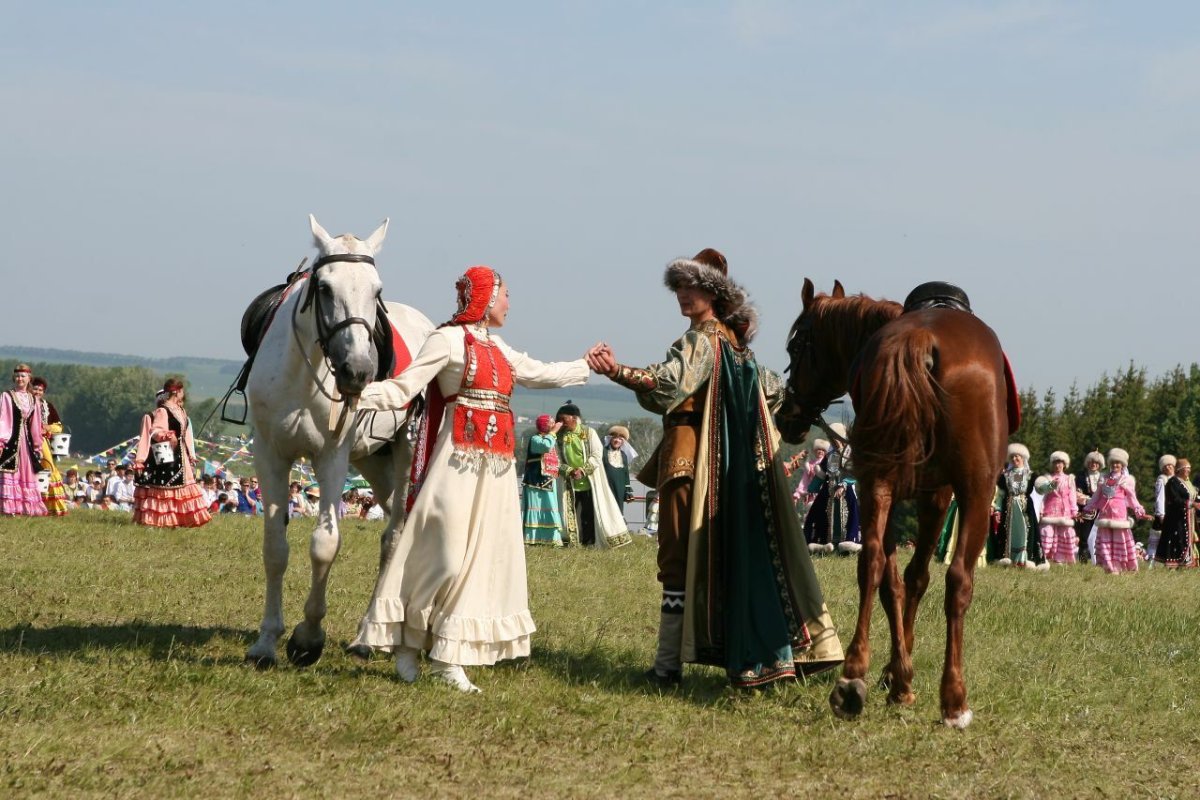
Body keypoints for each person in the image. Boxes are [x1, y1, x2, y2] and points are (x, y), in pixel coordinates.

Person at [587, 248, 843, 688]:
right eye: (680, 288)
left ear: (714, 293)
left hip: (687, 463)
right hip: (730, 476)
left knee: (674, 562)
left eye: (694, 287)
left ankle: (667, 668)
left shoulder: (701, 341)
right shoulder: (738, 349)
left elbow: (667, 384)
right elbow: (778, 396)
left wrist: (616, 371)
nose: (684, 295)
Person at [349, 265, 594, 693]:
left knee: (478, 562)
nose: (509, 304)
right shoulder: (446, 340)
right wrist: (356, 395)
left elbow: (540, 373)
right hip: (455, 464)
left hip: (495, 472)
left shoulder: (498, 347)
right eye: (505, 296)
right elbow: (404, 387)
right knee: (443, 556)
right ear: (484, 298)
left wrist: (586, 365)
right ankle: (407, 644)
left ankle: (449, 655)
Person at [131, 378, 213, 528]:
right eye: (182, 391)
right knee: (164, 487)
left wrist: (190, 454)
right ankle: (161, 521)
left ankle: (179, 520)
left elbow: (186, 434)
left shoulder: (181, 410)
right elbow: (155, 430)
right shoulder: (163, 411)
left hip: (180, 454)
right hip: (165, 451)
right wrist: (168, 436)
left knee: (182, 487)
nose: (183, 394)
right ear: (176, 392)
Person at [555, 402, 633, 549]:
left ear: (574, 418)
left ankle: (589, 542)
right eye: (559, 420)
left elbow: (597, 454)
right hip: (569, 483)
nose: (561, 423)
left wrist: (582, 470)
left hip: (590, 482)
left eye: (563, 420)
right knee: (569, 514)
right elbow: (555, 458)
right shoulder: (558, 437)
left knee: (589, 514)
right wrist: (569, 470)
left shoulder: (588, 432)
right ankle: (572, 542)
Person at [1080, 448, 1149, 574]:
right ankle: (1110, 568)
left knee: (1119, 541)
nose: (1115, 465)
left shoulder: (1126, 480)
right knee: (1105, 541)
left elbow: (1132, 498)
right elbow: (1097, 496)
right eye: (1113, 462)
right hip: (1105, 514)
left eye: (1118, 463)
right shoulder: (1104, 478)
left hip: (1119, 515)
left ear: (1123, 464)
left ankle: (1120, 566)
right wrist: (1088, 508)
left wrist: (1139, 511)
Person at [803, 423, 861, 555]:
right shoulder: (830, 454)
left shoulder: (850, 452)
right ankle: (823, 543)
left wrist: (843, 485)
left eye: (834, 437)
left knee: (851, 510)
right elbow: (823, 472)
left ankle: (848, 542)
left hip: (846, 489)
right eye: (830, 438)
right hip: (829, 488)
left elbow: (854, 472)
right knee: (817, 509)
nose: (832, 441)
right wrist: (812, 488)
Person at [0, 364, 48, 516]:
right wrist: (2, 440)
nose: (20, 379)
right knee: (9, 471)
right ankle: (7, 508)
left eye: (23, 376)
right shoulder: (7, 396)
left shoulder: (33, 400)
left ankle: (24, 507)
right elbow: (4, 419)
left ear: (29, 379)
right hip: (10, 439)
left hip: (25, 441)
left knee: (25, 473)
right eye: (18, 376)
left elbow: (35, 425)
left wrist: (37, 446)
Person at [989, 443, 1047, 569]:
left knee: (1026, 531)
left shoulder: (1031, 475)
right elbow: (1000, 495)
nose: (1015, 459)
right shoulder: (1005, 476)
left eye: (1017, 456)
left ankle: (1025, 559)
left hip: (1025, 508)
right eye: (1012, 457)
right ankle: (1008, 557)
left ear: (1023, 458)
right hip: (1009, 508)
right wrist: (998, 510)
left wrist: (1051, 485)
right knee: (1008, 532)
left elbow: (1041, 488)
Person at [522, 414, 565, 546]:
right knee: (535, 509)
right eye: (551, 423)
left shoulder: (550, 439)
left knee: (551, 508)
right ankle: (532, 539)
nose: (554, 425)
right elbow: (545, 446)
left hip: (549, 481)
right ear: (545, 426)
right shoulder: (536, 439)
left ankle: (552, 539)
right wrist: (553, 432)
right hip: (535, 482)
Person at [29, 377, 69, 516]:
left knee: (48, 469)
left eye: (40, 390)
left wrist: (46, 427)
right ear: (30, 389)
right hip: (24, 441)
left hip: (42, 442)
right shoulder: (24, 403)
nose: (37, 392)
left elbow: (58, 426)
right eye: (35, 389)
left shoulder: (48, 406)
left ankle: (51, 506)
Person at [1035, 451, 1078, 564]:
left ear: (1064, 464)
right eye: (1055, 462)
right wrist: (1040, 509)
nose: (1058, 465)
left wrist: (1074, 510)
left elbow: (1072, 496)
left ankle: (1061, 558)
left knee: (1064, 534)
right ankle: (1043, 557)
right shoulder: (1047, 478)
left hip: (1065, 510)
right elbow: (1042, 495)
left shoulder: (1069, 479)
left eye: (1060, 463)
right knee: (1047, 532)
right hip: (1050, 509)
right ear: (1052, 464)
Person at [1154, 458, 1196, 568]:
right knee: (1177, 540)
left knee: (1187, 539)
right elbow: (1174, 499)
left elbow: (1195, 496)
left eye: (1189, 468)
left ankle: (1187, 563)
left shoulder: (1188, 483)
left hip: (1188, 517)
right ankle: (1175, 564)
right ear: (1179, 469)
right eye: (1186, 468)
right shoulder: (1173, 482)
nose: (1188, 470)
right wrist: (1191, 504)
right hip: (1176, 518)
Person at [1074, 450, 1105, 563]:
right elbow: (1076, 493)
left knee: (1100, 537)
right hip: (1086, 510)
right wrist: (1089, 500)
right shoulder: (1081, 477)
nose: (1094, 464)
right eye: (1092, 462)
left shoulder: (1104, 477)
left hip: (1101, 511)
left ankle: (1099, 561)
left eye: (1096, 463)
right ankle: (1083, 561)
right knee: (1084, 537)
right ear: (1088, 463)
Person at [601, 424, 636, 514]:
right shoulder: (603, 452)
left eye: (620, 439)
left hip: (620, 488)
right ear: (610, 439)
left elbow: (626, 473)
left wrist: (627, 489)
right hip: (605, 486)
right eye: (615, 438)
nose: (617, 441)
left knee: (618, 510)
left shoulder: (624, 455)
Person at [791, 439, 827, 521]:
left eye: (823, 450)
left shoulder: (827, 464)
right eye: (819, 449)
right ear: (815, 451)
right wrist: (798, 494)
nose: (821, 451)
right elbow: (804, 480)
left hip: (824, 492)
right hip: (812, 493)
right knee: (810, 514)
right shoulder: (810, 465)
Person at [1149, 455, 1176, 564]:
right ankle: (1152, 562)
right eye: (1166, 466)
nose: (1168, 467)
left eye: (1170, 465)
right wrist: (1161, 514)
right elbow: (1160, 498)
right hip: (1164, 514)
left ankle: (1171, 561)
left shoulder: (1177, 480)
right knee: (1156, 540)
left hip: (1174, 514)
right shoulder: (1162, 479)